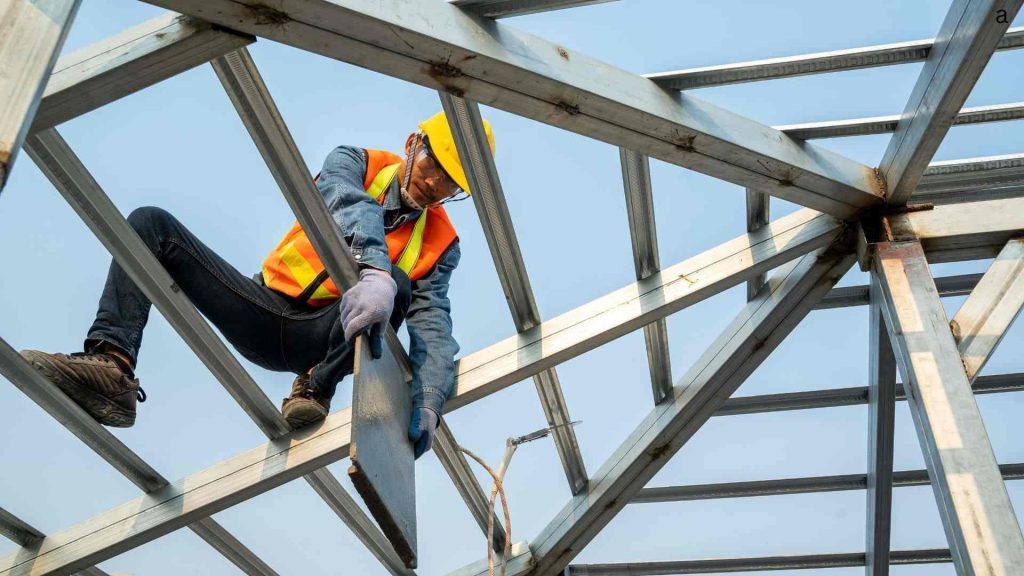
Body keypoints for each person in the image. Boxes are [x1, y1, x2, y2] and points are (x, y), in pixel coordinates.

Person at [21, 111, 494, 459]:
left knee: (400, 288)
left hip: (322, 342)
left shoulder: (441, 241)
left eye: (452, 183)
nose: (436, 184)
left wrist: (430, 399)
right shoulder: (355, 162)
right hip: (262, 308)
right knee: (149, 224)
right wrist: (373, 268)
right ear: (413, 142)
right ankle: (113, 367)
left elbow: (433, 325)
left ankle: (315, 389)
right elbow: (346, 200)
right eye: (434, 163)